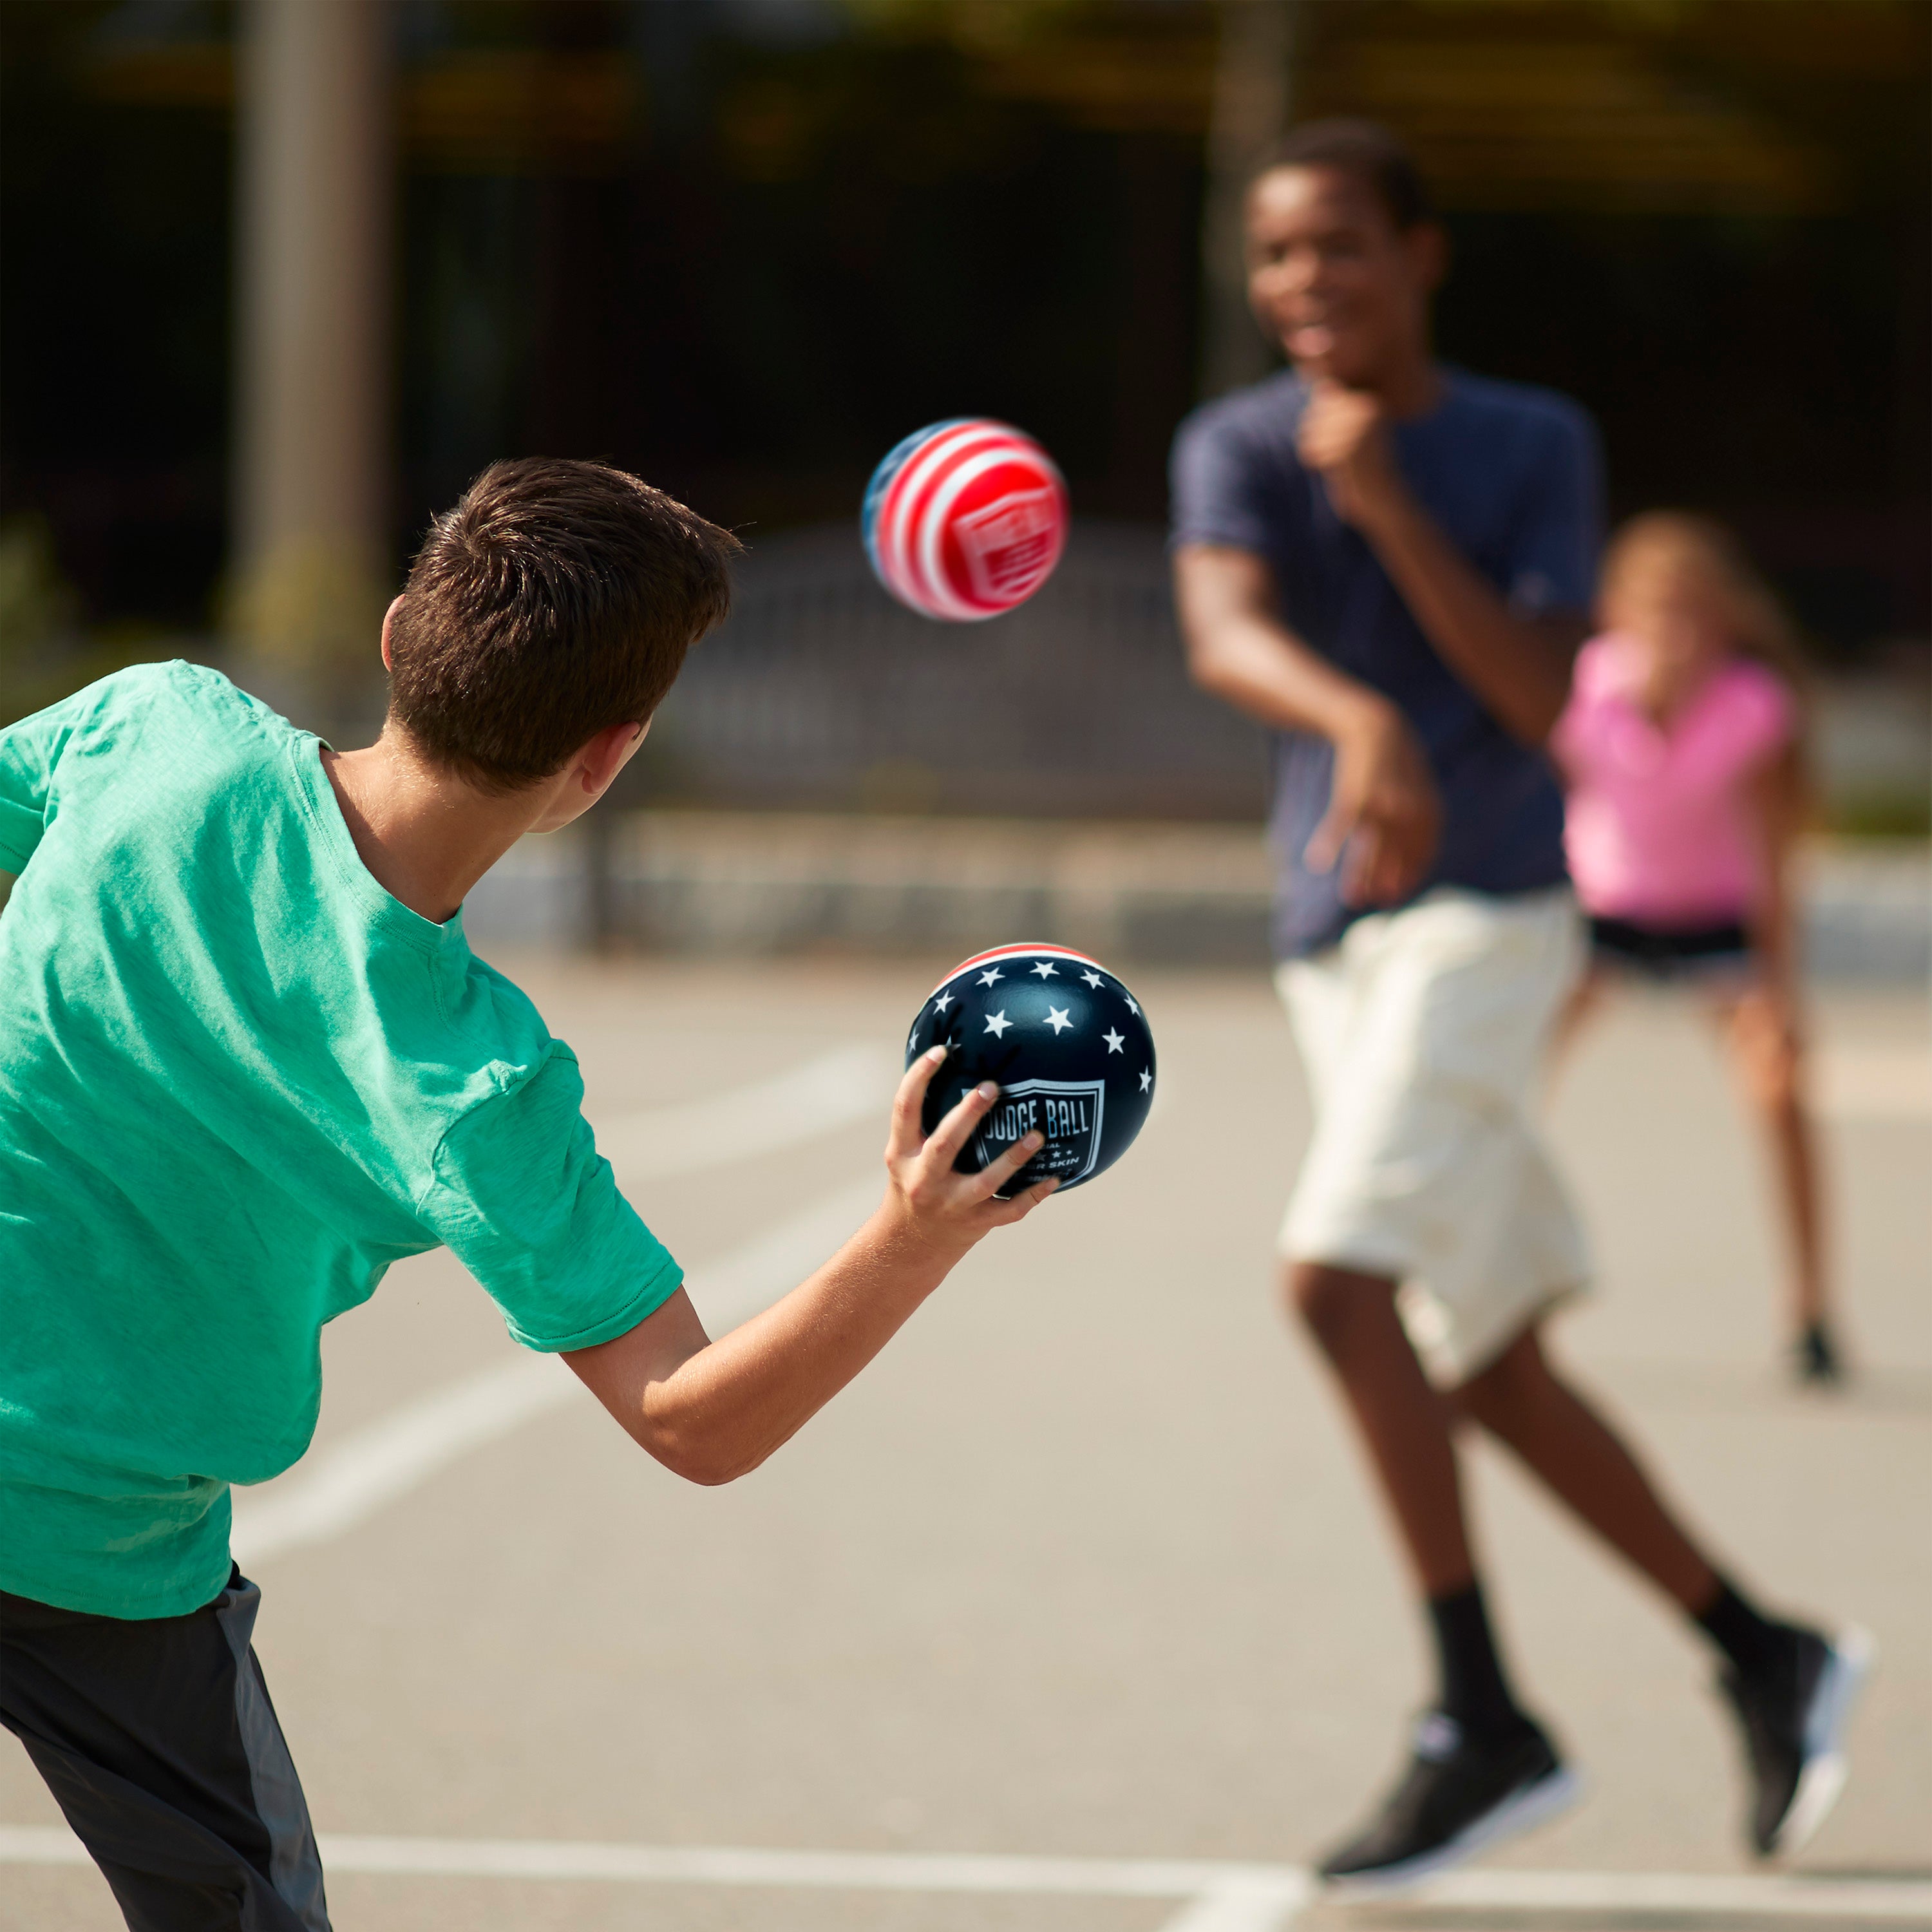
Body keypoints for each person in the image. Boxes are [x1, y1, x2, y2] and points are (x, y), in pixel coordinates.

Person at [0, 458, 1059, 1932]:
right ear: (602, 763)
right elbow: (691, 1418)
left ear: (395, 635)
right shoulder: (480, 1090)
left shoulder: (155, 726)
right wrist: (913, 1234)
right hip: (95, 1551)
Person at [1170, 120, 1869, 1888]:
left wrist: (1388, 506)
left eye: (1340, 244)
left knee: (1336, 1287)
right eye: (1277, 252)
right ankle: (1764, 1651)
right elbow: (1221, 633)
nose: (1305, 281)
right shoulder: (1235, 444)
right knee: (1486, 1368)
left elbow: (1547, 696)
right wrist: (1358, 719)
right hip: (1334, 946)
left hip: (1490, 925)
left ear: (1423, 256)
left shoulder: (1527, 442)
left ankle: (1478, 1719)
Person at [1551, 512, 1841, 1385]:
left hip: (1715, 922)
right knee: (1499, 1082)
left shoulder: (1753, 706)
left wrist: (1782, 989)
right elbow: (1547, 800)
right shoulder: (1585, 688)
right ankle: (1473, 1285)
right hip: (1604, 919)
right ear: (1617, 613)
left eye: (1693, 610)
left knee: (1781, 1091)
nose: (1674, 631)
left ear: (1724, 618)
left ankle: (1810, 1305)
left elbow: (1778, 856)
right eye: (1656, 609)